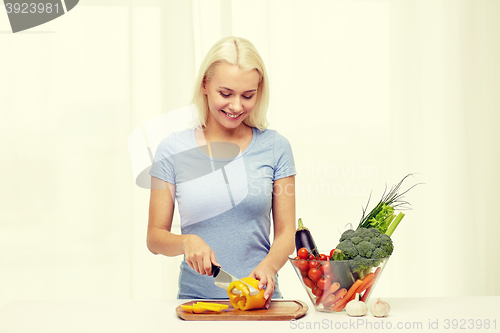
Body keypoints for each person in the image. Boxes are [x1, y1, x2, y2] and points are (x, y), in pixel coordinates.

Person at [147, 36, 296, 308]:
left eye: (248, 96)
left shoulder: (276, 147)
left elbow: (287, 233)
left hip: (262, 302)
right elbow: (155, 237)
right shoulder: (172, 149)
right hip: (198, 304)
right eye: (225, 94)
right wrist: (186, 242)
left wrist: (270, 267)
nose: (236, 106)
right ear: (205, 85)